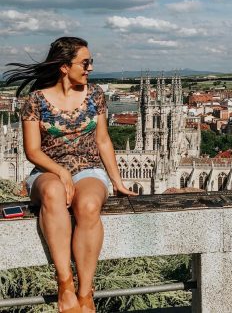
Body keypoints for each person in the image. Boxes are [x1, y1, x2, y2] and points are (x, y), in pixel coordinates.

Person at [5, 37, 136, 313]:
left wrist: (116, 181)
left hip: (89, 169)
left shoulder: (96, 95)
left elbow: (103, 141)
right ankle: (64, 283)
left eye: (91, 62)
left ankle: (85, 291)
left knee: (88, 206)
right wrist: (60, 171)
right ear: (65, 67)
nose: (90, 67)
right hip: (46, 170)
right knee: (53, 193)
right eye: (85, 62)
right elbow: (32, 151)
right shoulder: (35, 100)